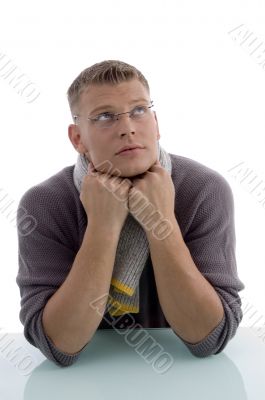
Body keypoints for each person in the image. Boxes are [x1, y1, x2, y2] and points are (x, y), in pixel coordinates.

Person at [16, 60, 245, 367]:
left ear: (156, 123)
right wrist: (103, 226)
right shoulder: (43, 204)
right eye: (105, 116)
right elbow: (59, 345)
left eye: (139, 110)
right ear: (77, 138)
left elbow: (210, 337)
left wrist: (160, 219)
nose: (128, 128)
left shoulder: (205, 189)